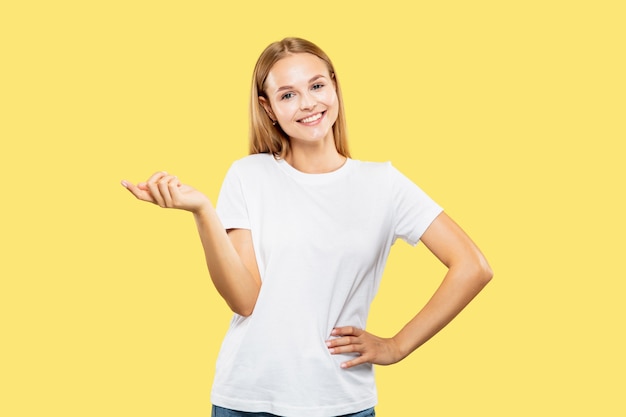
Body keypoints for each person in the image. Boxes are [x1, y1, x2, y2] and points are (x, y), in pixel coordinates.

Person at [121, 37, 493, 417]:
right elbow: (245, 300)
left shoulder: (383, 184)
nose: (309, 103)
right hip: (248, 400)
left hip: (342, 401)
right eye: (288, 95)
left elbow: (473, 266)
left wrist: (397, 346)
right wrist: (203, 212)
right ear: (268, 108)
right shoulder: (249, 175)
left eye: (316, 86)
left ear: (334, 85)